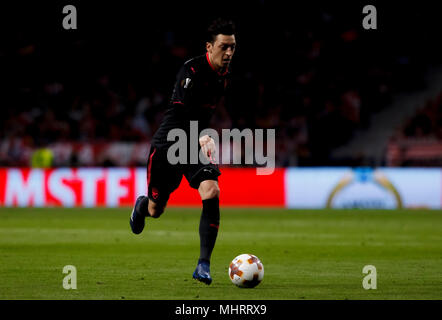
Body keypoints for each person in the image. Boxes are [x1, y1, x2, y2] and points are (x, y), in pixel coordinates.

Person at [129, 18, 236, 285]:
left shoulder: (223, 77)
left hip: (193, 145)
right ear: (209, 47)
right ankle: (141, 206)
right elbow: (185, 110)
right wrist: (201, 135)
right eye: (224, 47)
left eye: (233, 47)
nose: (230, 53)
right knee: (156, 209)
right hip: (168, 144)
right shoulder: (192, 70)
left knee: (212, 190)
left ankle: (203, 265)